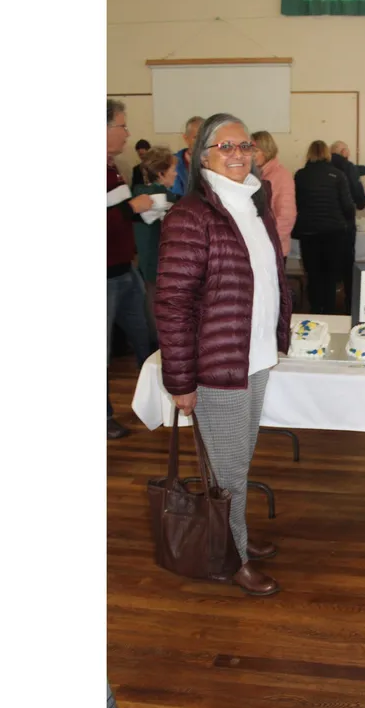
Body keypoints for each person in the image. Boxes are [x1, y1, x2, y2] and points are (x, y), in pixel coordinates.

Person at [154, 113, 291, 597]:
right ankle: (233, 558)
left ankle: (238, 536)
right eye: (225, 146)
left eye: (244, 145)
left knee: (238, 461)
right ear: (202, 157)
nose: (237, 153)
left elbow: (270, 278)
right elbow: (172, 303)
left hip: (255, 356)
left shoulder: (254, 204)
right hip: (218, 365)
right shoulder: (191, 215)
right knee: (228, 470)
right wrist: (180, 381)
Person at [107, 99, 154, 440]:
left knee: (146, 340)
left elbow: (117, 214)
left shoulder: (113, 168)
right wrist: (130, 210)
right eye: (122, 126)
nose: (127, 133)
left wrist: (139, 213)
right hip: (105, 276)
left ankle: (156, 401)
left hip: (125, 271)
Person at [292, 140, 355, 314]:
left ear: (309, 154)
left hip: (308, 232)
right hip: (334, 233)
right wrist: (346, 222)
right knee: (330, 276)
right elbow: (348, 206)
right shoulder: (337, 175)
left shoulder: (300, 175)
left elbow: (296, 203)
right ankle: (329, 310)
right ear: (327, 154)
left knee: (313, 274)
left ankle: (315, 309)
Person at [131, 146, 179, 345]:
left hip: (147, 261)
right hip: (158, 262)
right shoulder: (160, 199)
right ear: (161, 174)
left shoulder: (139, 194)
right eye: (173, 169)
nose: (176, 173)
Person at [330, 140, 365, 313]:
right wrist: (361, 203)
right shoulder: (348, 167)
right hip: (345, 222)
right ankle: (350, 302)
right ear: (344, 152)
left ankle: (329, 303)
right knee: (347, 262)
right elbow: (356, 189)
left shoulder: (325, 167)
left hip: (327, 223)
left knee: (329, 262)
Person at [253, 131, 297, 257]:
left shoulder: (281, 175)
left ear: (267, 151)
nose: (250, 155)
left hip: (273, 248)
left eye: (255, 151)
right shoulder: (256, 174)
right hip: (259, 246)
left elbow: (286, 217)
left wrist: (267, 242)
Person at [171, 115, 204, 196]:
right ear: (186, 138)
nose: (201, 142)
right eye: (196, 137)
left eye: (204, 137)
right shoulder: (173, 162)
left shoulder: (215, 162)